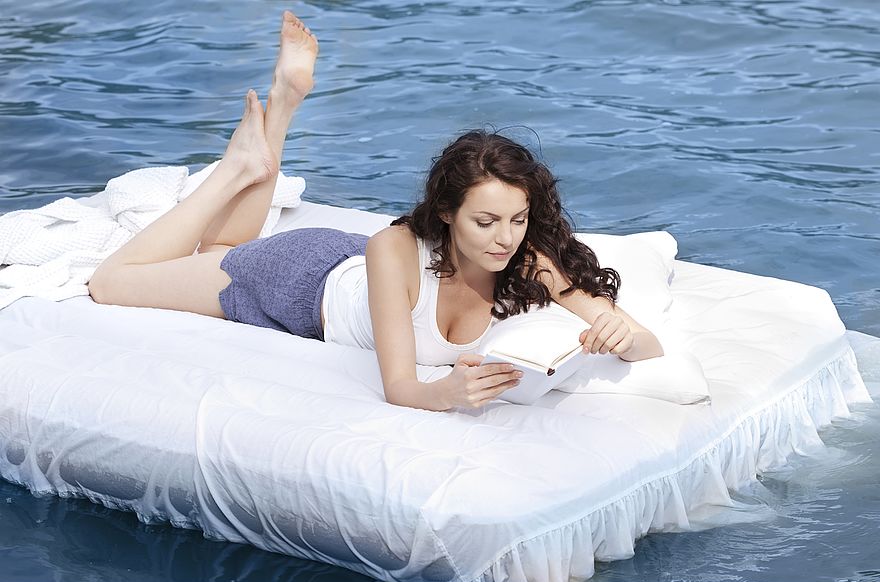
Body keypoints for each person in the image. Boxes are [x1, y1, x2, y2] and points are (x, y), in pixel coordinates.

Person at [88, 10, 664, 412]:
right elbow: (400, 388)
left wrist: (619, 331)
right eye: (484, 222)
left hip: (345, 271)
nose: (504, 239)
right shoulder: (394, 247)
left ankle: (280, 111)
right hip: (297, 280)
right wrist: (449, 395)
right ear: (445, 213)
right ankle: (237, 169)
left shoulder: (529, 259)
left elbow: (647, 346)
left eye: (517, 220)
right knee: (115, 283)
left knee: (219, 251)